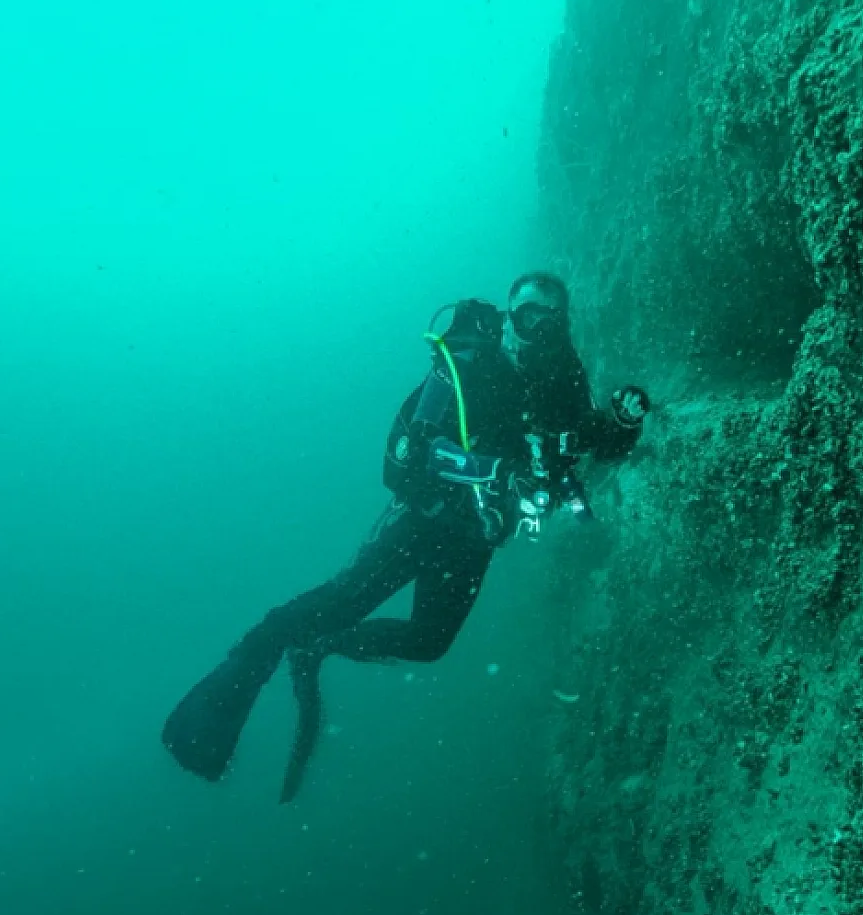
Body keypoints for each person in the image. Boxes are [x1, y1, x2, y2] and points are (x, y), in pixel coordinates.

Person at [161, 272, 651, 800]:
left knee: (429, 643)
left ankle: (320, 648)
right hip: (423, 521)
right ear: (510, 319)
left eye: (552, 319)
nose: (541, 330)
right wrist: (497, 471)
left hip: (474, 541)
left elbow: (587, 440)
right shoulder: (467, 367)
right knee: (343, 599)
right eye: (529, 316)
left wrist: (623, 423)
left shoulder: (562, 374)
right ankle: (228, 690)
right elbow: (404, 460)